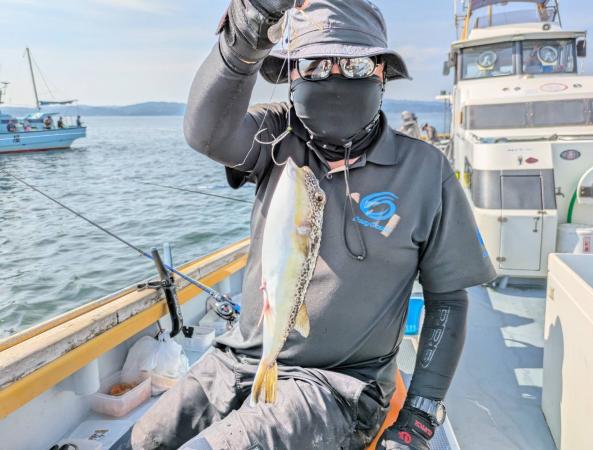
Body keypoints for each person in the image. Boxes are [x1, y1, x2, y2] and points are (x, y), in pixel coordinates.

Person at [130, 1, 496, 449]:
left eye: (355, 64)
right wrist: (250, 24)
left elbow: (448, 299)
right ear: (292, 75)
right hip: (238, 358)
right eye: (315, 64)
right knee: (147, 437)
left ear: (381, 72)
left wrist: (419, 414)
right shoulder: (277, 135)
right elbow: (206, 133)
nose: (334, 77)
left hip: (341, 386)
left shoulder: (425, 171)